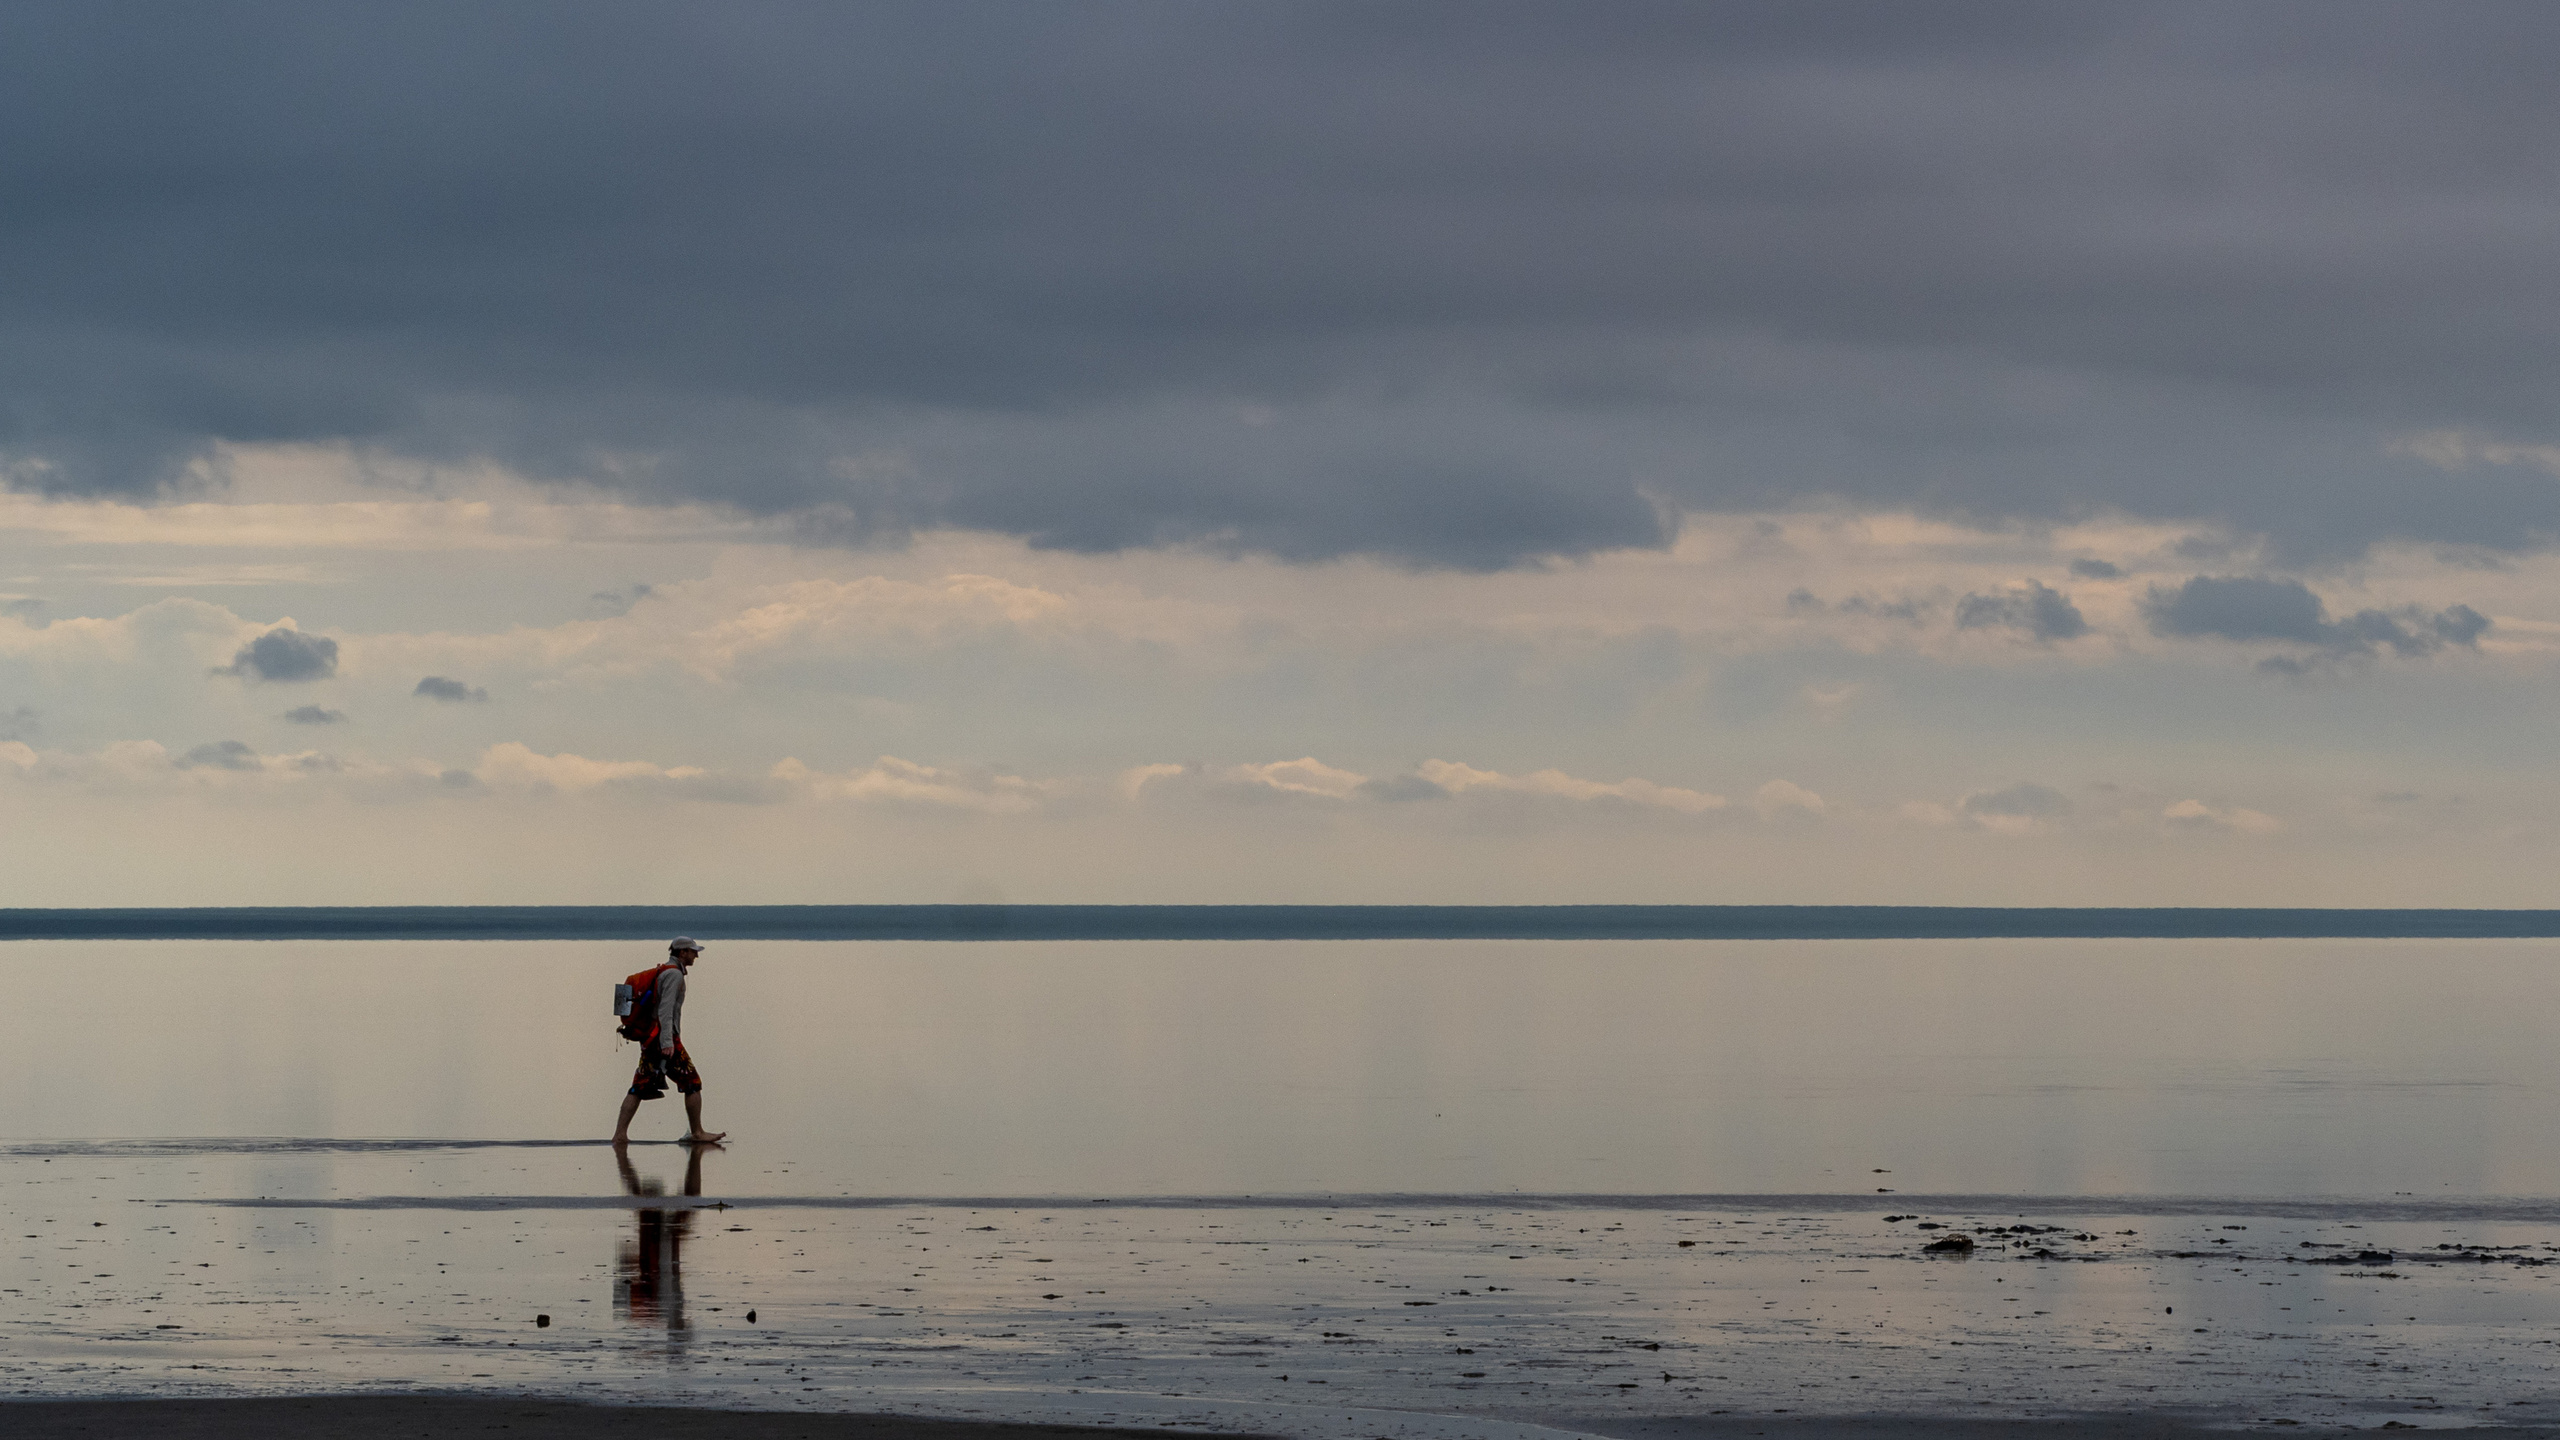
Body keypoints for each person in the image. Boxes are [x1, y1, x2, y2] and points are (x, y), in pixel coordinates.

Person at [611, 936, 726, 1148]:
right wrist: (668, 1043)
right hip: (663, 1039)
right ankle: (697, 1132)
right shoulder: (674, 975)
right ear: (682, 953)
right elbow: (665, 1011)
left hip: (651, 1038)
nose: (696, 955)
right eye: (692, 952)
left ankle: (620, 1135)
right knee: (692, 1082)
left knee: (639, 1086)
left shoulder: (664, 971)